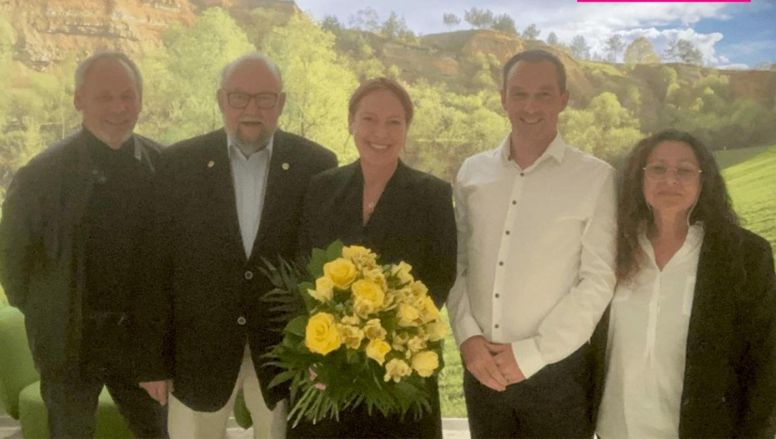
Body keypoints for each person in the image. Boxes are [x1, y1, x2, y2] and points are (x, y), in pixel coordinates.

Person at [134, 53, 337, 439]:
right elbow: (154, 265)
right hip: (197, 350)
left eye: (265, 98)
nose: (251, 109)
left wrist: (323, 353)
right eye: (238, 97)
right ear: (220, 100)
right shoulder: (178, 163)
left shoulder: (317, 165)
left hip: (284, 351)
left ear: (282, 102)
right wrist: (152, 362)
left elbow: (324, 265)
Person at [446, 48, 617, 438]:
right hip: (481, 368)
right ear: (503, 98)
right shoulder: (473, 173)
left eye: (543, 94)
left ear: (563, 100)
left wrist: (533, 354)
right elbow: (456, 264)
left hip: (557, 374)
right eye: (519, 93)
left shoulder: (595, 178)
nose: (530, 105)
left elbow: (598, 279)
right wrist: (468, 337)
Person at [0, 51, 167, 438]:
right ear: (79, 100)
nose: (119, 107)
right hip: (69, 345)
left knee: (159, 434)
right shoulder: (38, 176)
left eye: (128, 96)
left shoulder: (166, 167)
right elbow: (14, 268)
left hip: (142, 345)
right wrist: (51, 313)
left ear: (141, 99)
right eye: (104, 97)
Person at [287, 77, 457, 439]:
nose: (381, 131)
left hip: (400, 375)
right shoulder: (320, 188)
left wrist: (391, 329)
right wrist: (326, 346)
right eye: (369, 119)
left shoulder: (434, 196)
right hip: (327, 373)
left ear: (406, 129)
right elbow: (304, 273)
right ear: (351, 122)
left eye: (394, 121)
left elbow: (440, 278)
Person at [593, 129, 776, 438]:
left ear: (704, 181)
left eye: (685, 170)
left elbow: (766, 360)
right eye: (658, 168)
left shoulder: (746, 255)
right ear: (640, 179)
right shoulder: (611, 249)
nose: (670, 179)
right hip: (616, 429)